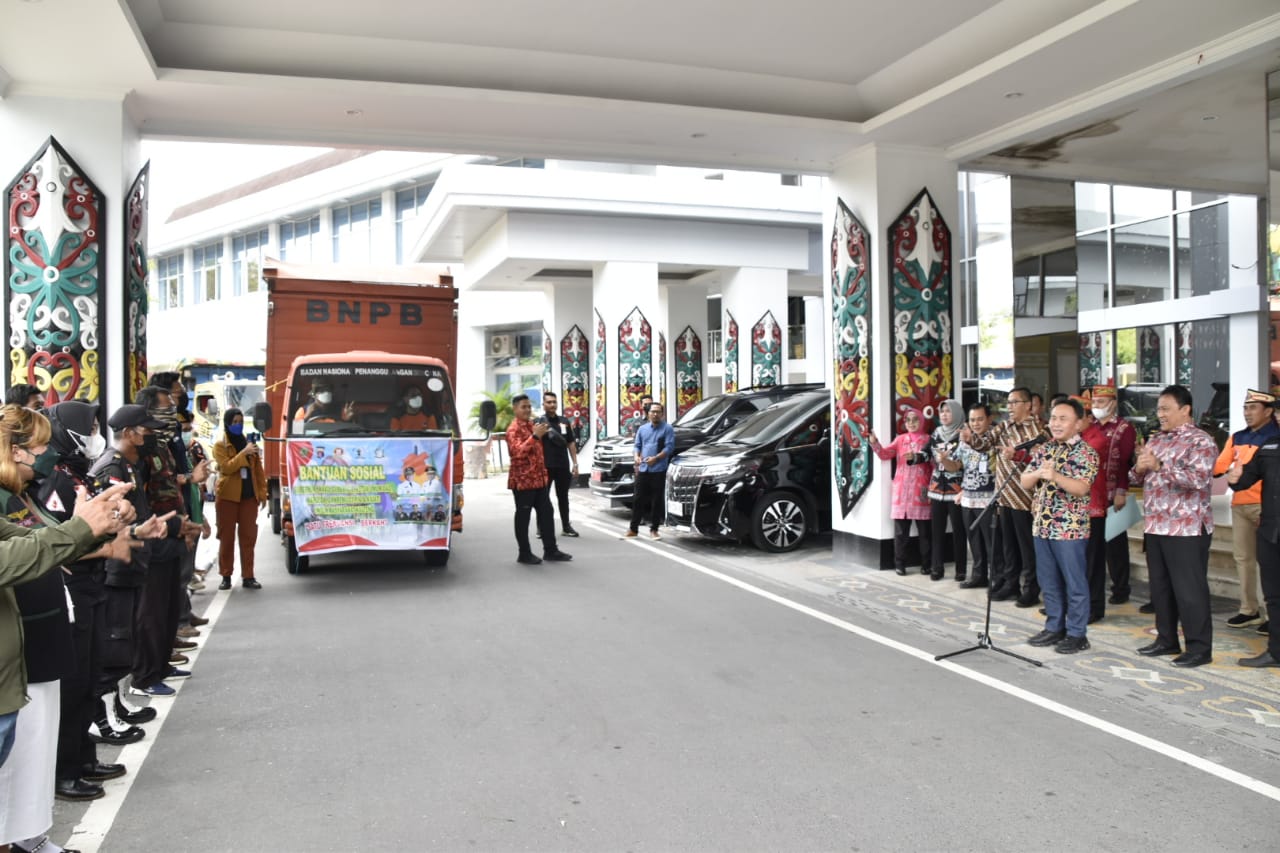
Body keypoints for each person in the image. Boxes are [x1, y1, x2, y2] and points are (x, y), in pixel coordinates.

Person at [0, 405, 148, 850]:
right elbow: (21, 556)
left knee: (31, 749)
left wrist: (98, 526)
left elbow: (35, 539)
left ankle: (25, 836)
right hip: (25, 646)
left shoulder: (25, 494)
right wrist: (85, 529)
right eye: (36, 445)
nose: (41, 454)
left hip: (22, 655)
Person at [1130, 384, 1217, 668]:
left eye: (1166, 409)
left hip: (1186, 528)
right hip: (1156, 525)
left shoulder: (1201, 441)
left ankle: (1199, 648)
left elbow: (1199, 480)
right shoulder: (1157, 440)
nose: (1161, 414)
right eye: (1159, 409)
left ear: (1185, 409)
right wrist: (1140, 469)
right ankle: (1166, 639)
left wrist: (1159, 467)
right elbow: (1137, 477)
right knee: (1161, 588)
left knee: (1189, 591)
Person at [1021, 398, 1099, 654]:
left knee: (1074, 583)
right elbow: (1025, 481)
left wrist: (1055, 476)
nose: (1055, 423)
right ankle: (1054, 627)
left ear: (1078, 424)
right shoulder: (1045, 449)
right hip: (1042, 526)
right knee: (1048, 581)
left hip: (1069, 529)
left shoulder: (1086, 453)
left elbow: (1082, 488)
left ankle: (1077, 633)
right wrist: (1037, 474)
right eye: (1053, 418)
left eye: (1062, 419)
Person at [968, 387, 1046, 605]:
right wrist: (970, 439)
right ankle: (1010, 584)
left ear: (1028, 405)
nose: (1009, 407)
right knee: (1008, 546)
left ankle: (1031, 588)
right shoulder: (1004, 427)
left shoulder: (1039, 430)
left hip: (1025, 498)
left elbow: (1040, 461)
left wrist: (1018, 455)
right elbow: (984, 445)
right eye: (1008, 403)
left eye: (1014, 402)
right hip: (1004, 496)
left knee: (1026, 548)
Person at [1213, 389, 1279, 630]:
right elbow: (1219, 466)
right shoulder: (1237, 437)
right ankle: (1249, 609)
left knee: (1268, 561)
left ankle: (1272, 615)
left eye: (1253, 408)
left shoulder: (1274, 437)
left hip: (1266, 506)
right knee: (1243, 559)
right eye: (1245, 408)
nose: (1247, 413)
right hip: (1240, 504)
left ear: (1269, 411)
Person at [1226, 401, 1280, 667]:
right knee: (1273, 594)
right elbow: (1246, 478)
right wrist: (1235, 478)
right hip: (1271, 530)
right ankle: (1276, 651)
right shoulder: (1269, 446)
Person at [1082, 384, 1136, 613]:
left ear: (1113, 403)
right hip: (1091, 493)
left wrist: (1122, 490)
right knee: (1093, 546)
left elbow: (1125, 462)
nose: (1096, 407)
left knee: (1115, 543)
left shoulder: (1125, 428)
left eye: (1101, 403)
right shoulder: (1089, 427)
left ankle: (1120, 587)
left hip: (1113, 492)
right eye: (1094, 403)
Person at [506, 394, 571, 565]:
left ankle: (551, 550)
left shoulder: (532, 425)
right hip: (523, 481)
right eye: (523, 407)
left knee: (547, 513)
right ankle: (524, 553)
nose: (527, 410)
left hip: (540, 479)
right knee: (523, 516)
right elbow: (517, 453)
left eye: (529, 406)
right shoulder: (513, 429)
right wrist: (534, 437)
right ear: (515, 409)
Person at [869, 409, 933, 575]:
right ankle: (899, 564)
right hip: (902, 492)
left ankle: (926, 564)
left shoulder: (928, 440)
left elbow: (933, 465)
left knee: (925, 532)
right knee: (900, 532)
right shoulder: (900, 440)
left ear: (921, 421)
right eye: (908, 420)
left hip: (922, 491)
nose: (911, 423)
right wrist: (875, 443)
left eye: (915, 420)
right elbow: (885, 454)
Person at [212, 408, 267, 591]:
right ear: (227, 423)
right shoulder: (220, 445)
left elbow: (258, 471)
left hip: (248, 498)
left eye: (241, 421)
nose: (238, 425)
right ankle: (226, 575)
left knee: (248, 538)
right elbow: (226, 468)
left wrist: (262, 493)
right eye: (235, 422)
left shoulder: (249, 443)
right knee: (226, 538)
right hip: (227, 497)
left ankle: (248, 576)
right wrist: (243, 453)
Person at [953, 403, 997, 589]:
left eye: (980, 419)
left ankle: (997, 579)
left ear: (989, 419)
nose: (976, 423)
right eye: (972, 420)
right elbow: (956, 466)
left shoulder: (995, 439)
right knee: (974, 540)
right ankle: (978, 575)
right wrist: (944, 459)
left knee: (991, 541)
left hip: (989, 498)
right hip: (968, 497)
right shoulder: (964, 441)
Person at [925, 400, 966, 582]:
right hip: (936, 489)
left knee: (959, 531)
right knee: (937, 531)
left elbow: (963, 463)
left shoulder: (962, 434)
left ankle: (961, 570)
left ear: (956, 414)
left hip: (956, 490)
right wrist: (915, 457)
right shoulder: (936, 433)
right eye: (942, 412)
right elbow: (926, 452)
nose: (944, 415)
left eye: (948, 412)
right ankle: (937, 568)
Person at [625, 401, 676, 541]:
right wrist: (636, 456)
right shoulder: (643, 429)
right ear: (647, 414)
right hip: (643, 468)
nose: (655, 414)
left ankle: (654, 529)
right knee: (638, 498)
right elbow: (637, 445)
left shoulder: (667, 429)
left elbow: (669, 448)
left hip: (658, 469)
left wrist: (656, 458)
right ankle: (633, 528)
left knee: (656, 500)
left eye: (658, 412)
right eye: (652, 411)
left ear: (662, 414)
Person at [540, 392, 580, 538]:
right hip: (545, 466)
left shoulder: (564, 421)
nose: (552, 405)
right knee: (543, 498)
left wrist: (575, 464)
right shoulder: (539, 422)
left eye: (554, 402)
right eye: (549, 402)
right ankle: (541, 527)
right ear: (543, 404)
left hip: (562, 465)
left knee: (563, 496)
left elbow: (570, 442)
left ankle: (566, 526)